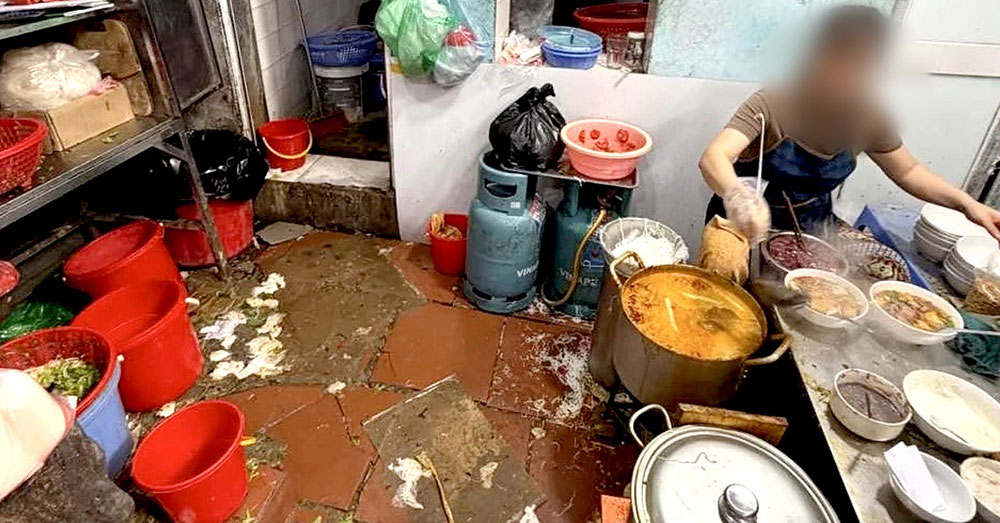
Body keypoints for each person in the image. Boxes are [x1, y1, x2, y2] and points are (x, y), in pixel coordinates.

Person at [698, 5, 1000, 243]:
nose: (846, 77)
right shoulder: (774, 103)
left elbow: (909, 171)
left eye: (859, 66)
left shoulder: (867, 116)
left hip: (811, 233)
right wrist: (740, 198)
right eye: (839, 61)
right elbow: (714, 158)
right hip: (740, 229)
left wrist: (966, 204)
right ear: (817, 55)